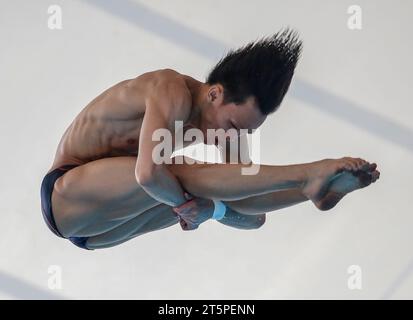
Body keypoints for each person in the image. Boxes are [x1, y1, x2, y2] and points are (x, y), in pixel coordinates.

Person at [40, 29, 380, 250]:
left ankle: (312, 190)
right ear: (214, 94)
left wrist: (213, 210)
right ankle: (308, 175)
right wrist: (190, 203)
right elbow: (147, 174)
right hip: (68, 196)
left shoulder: (225, 129)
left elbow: (253, 218)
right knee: (177, 175)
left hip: (104, 233)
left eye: (245, 133)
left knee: (215, 190)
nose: (233, 138)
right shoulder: (169, 91)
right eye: (232, 125)